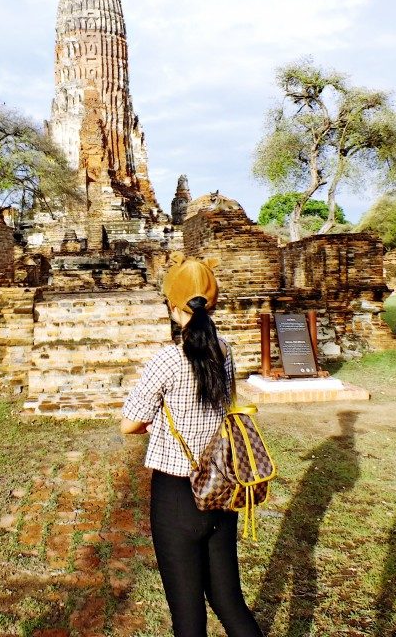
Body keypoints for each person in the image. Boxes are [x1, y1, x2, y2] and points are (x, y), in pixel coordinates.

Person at [120, 254, 264, 637]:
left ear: (172, 305)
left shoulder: (167, 358)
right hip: (221, 484)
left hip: (177, 493)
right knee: (230, 603)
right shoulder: (226, 349)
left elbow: (129, 423)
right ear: (212, 303)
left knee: (188, 617)